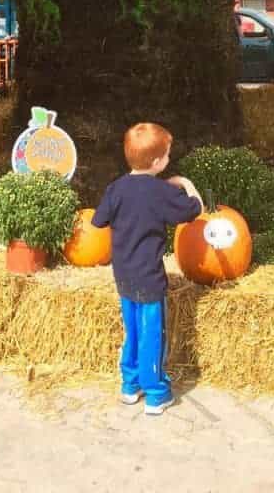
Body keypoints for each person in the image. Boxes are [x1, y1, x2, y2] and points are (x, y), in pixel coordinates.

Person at [91, 122, 203, 415]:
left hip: (124, 277)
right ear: (156, 162)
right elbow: (194, 211)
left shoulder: (116, 188)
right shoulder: (159, 192)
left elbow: (98, 221)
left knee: (133, 333)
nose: (168, 160)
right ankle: (155, 394)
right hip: (150, 280)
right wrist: (186, 185)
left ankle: (130, 386)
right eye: (167, 156)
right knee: (153, 334)